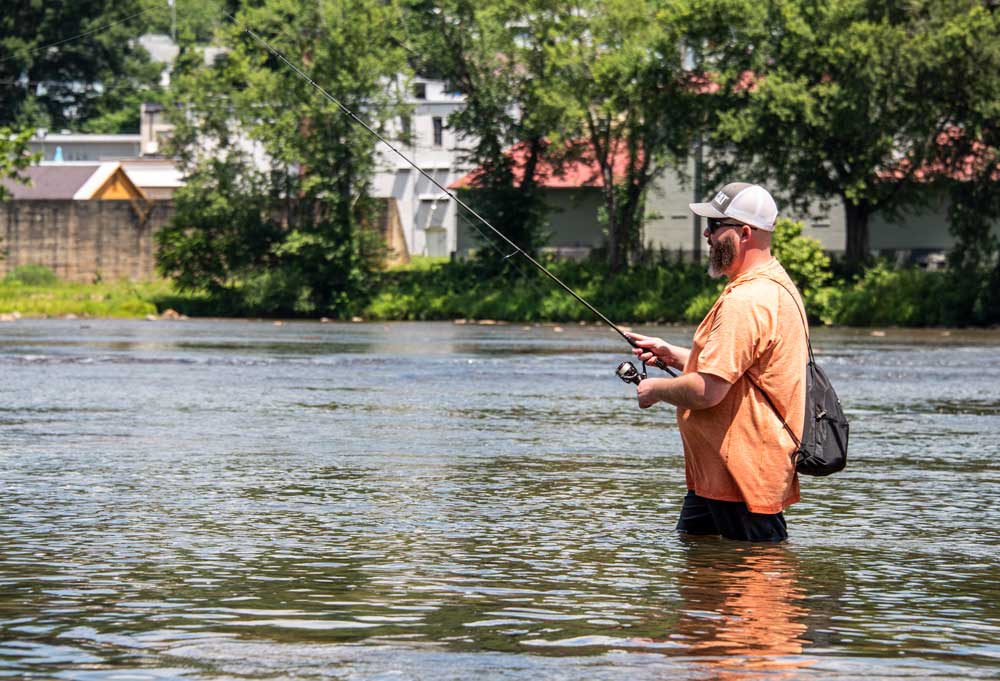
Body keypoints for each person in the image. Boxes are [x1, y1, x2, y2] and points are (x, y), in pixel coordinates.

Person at [626, 182, 809, 542]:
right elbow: (739, 370)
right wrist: (674, 356)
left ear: (744, 233)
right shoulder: (774, 285)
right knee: (700, 567)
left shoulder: (747, 300)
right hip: (716, 470)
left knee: (757, 578)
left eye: (714, 226)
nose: (707, 235)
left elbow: (708, 390)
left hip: (740, 475)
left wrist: (654, 389)